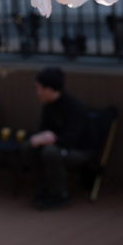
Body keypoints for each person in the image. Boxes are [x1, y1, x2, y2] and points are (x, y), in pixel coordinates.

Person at [26, 67, 92, 210]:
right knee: (29, 146)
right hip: (58, 146)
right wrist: (39, 138)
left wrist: (46, 139)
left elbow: (70, 140)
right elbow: (42, 131)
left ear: (49, 89)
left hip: (80, 151)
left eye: (38, 89)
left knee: (50, 152)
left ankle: (61, 194)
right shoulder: (48, 106)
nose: (37, 93)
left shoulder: (75, 108)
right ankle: (48, 187)